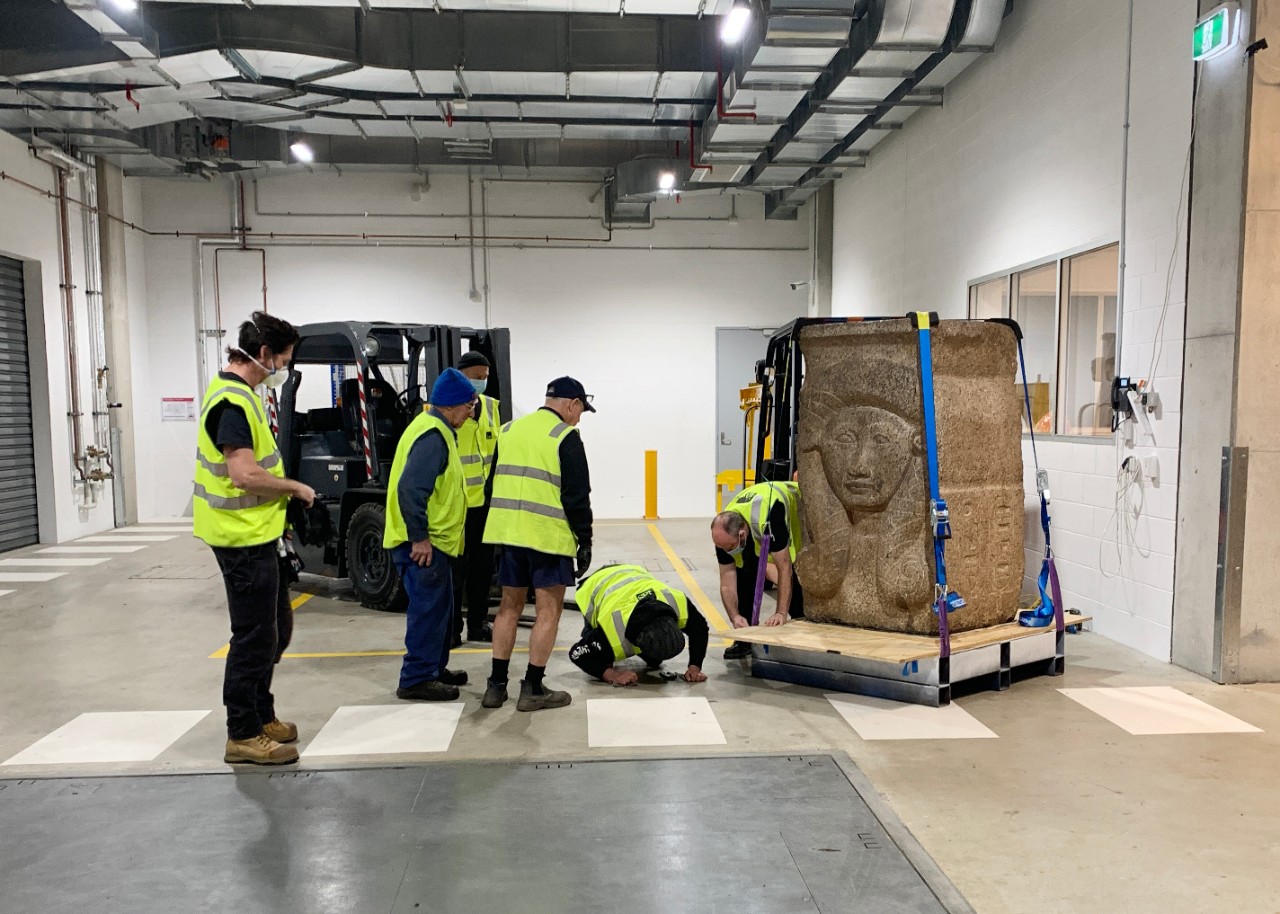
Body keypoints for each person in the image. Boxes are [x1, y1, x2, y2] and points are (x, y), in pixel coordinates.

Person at [194, 311, 316, 767]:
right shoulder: (232, 403)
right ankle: (242, 733)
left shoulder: (243, 394)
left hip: (259, 534)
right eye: (282, 360)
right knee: (253, 636)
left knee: (275, 630)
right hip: (239, 538)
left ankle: (262, 714)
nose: (282, 368)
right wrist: (297, 489)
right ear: (263, 354)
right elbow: (244, 475)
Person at [481, 376, 595, 711]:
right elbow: (577, 497)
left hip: (508, 534)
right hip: (547, 536)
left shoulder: (510, 430)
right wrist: (584, 540)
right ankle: (532, 687)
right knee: (548, 611)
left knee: (508, 608)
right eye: (580, 411)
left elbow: (491, 485)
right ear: (571, 404)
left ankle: (495, 686)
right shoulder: (565, 437)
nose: (578, 418)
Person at [384, 367, 476, 702]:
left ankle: (433, 669)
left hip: (438, 543)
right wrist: (420, 537)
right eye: (470, 406)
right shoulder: (433, 436)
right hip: (425, 545)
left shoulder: (434, 428)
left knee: (442, 611)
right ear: (453, 405)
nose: (471, 413)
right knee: (427, 611)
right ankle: (416, 678)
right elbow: (411, 489)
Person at [711, 480, 805, 660]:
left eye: (729, 546)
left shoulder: (770, 518)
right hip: (755, 523)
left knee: (795, 574)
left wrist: (780, 612)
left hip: (798, 508)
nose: (726, 551)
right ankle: (744, 637)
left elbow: (784, 568)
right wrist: (735, 616)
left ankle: (801, 621)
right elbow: (727, 581)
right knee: (745, 573)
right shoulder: (724, 535)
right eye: (722, 547)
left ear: (741, 534)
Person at [570, 564, 709, 685]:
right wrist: (612, 675)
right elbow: (577, 653)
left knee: (655, 661)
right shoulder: (611, 630)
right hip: (595, 584)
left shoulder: (677, 602)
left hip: (632, 573)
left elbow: (700, 629)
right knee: (603, 657)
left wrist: (694, 667)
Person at [451, 350, 501, 645]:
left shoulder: (493, 408)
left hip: (484, 507)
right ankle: (453, 627)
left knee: (483, 571)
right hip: (456, 507)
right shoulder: (445, 411)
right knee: (456, 573)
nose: (482, 383)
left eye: (485, 377)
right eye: (476, 378)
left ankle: (478, 624)